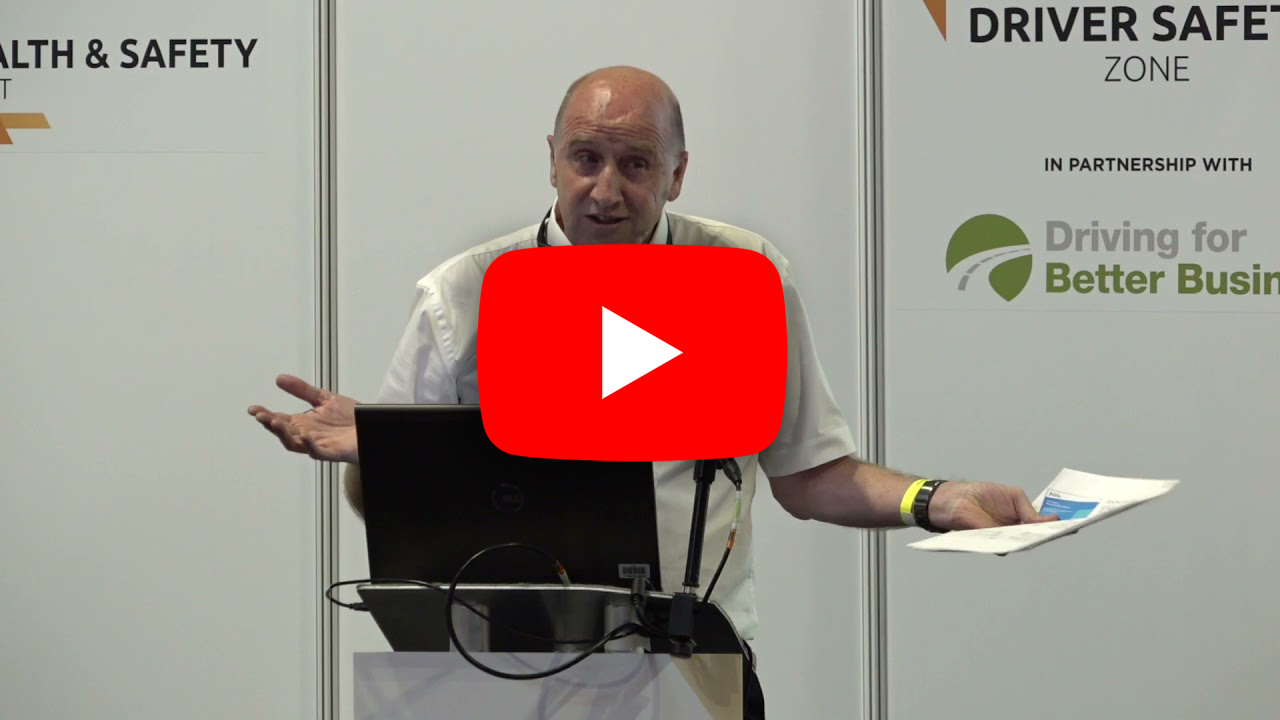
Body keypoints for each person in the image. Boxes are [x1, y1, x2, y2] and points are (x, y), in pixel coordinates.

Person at [249, 65, 1058, 719]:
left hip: (692, 666)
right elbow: (383, 509)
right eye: (585, 159)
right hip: (496, 667)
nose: (606, 190)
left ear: (678, 173)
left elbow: (810, 476)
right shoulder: (465, 295)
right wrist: (385, 454)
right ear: (552, 159)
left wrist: (936, 498)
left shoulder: (743, 278)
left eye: (636, 164)